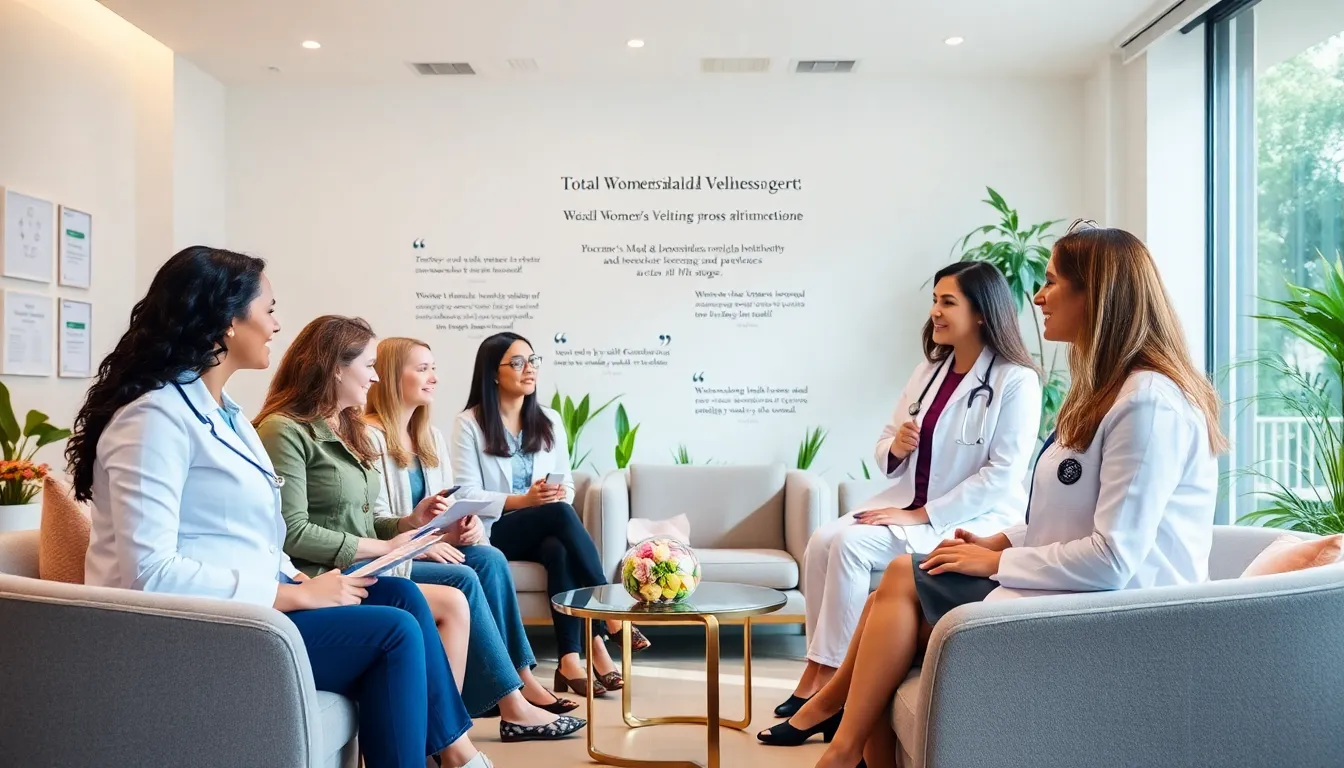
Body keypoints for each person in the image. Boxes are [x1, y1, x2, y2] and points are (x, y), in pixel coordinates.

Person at [759, 222, 1225, 768]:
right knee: (895, 584)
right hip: (1069, 584)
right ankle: (846, 740)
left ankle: (838, 738)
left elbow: (1114, 559)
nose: (1038, 294)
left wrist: (997, 556)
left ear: (1094, 295)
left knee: (899, 590)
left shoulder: (1148, 404)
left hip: (1118, 613)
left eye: (1052, 282)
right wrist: (999, 538)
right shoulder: (1107, 391)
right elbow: (1067, 511)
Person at [72, 247, 491, 768]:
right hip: (195, 627)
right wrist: (289, 596)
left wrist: (294, 580)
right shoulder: (153, 419)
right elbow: (147, 574)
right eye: (268, 309)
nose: (276, 323)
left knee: (402, 595)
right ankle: (455, 757)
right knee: (394, 631)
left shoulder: (225, 415)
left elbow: (254, 537)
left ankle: (456, 757)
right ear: (228, 320)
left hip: (250, 605)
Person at [255, 318, 584, 743]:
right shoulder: (299, 430)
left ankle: (488, 711)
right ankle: (488, 716)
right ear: (337, 367)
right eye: (369, 365)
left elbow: (361, 516)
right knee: (466, 578)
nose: (373, 377)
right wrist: (397, 542)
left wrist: (417, 525)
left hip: (382, 554)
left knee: (494, 557)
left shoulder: (373, 429)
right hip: (333, 572)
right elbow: (294, 530)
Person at [776, 261, 1043, 719]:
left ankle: (828, 687)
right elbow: (885, 442)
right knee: (822, 540)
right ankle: (818, 673)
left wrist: (923, 515)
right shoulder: (929, 370)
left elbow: (1003, 474)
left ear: (981, 312)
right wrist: (896, 446)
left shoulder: (1015, 380)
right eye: (935, 301)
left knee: (850, 549)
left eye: (947, 302)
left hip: (968, 517)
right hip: (906, 503)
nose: (935, 312)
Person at [364, 336, 584, 728]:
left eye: (433, 368)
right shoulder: (369, 437)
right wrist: (423, 542)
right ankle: (513, 703)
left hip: (432, 544)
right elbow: (375, 519)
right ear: (391, 377)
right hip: (396, 556)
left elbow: (449, 502)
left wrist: (459, 528)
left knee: (491, 557)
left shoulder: (428, 437)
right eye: (422, 369)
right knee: (468, 575)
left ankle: (523, 679)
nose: (434, 378)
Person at [450, 332, 644, 697]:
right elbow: (467, 494)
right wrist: (525, 500)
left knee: (557, 547)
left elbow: (567, 484)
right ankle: (611, 615)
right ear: (493, 373)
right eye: (518, 362)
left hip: (542, 526)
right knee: (556, 516)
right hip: (495, 530)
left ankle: (569, 660)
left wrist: (555, 493)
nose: (530, 369)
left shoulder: (549, 420)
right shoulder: (470, 424)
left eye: (533, 360)